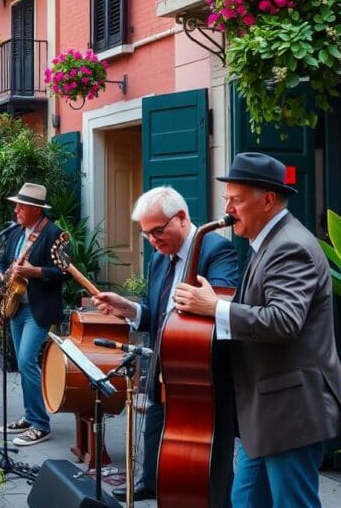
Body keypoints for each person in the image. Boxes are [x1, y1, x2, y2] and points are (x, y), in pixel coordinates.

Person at [173, 152, 341, 507]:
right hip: (268, 410)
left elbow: (284, 321)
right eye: (227, 199)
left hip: (290, 411)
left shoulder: (289, 246)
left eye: (236, 200)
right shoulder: (269, 243)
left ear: (268, 201)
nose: (228, 210)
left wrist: (215, 307)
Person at [93, 186, 240, 503]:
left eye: (158, 231)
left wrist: (201, 303)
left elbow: (220, 314)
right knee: (162, 457)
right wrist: (127, 308)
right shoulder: (160, 260)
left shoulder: (216, 250)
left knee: (206, 473)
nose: (152, 241)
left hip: (203, 383)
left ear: (182, 218)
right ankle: (153, 485)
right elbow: (155, 315)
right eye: (146, 234)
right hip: (164, 377)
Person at [0, 183, 67, 447]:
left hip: (38, 308)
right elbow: (2, 261)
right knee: (21, 362)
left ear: (36, 209)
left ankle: (40, 424)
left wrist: (36, 272)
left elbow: (64, 272)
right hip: (16, 306)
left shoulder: (54, 234)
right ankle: (29, 415)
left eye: (21, 206)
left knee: (26, 361)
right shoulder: (15, 232)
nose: (16, 210)